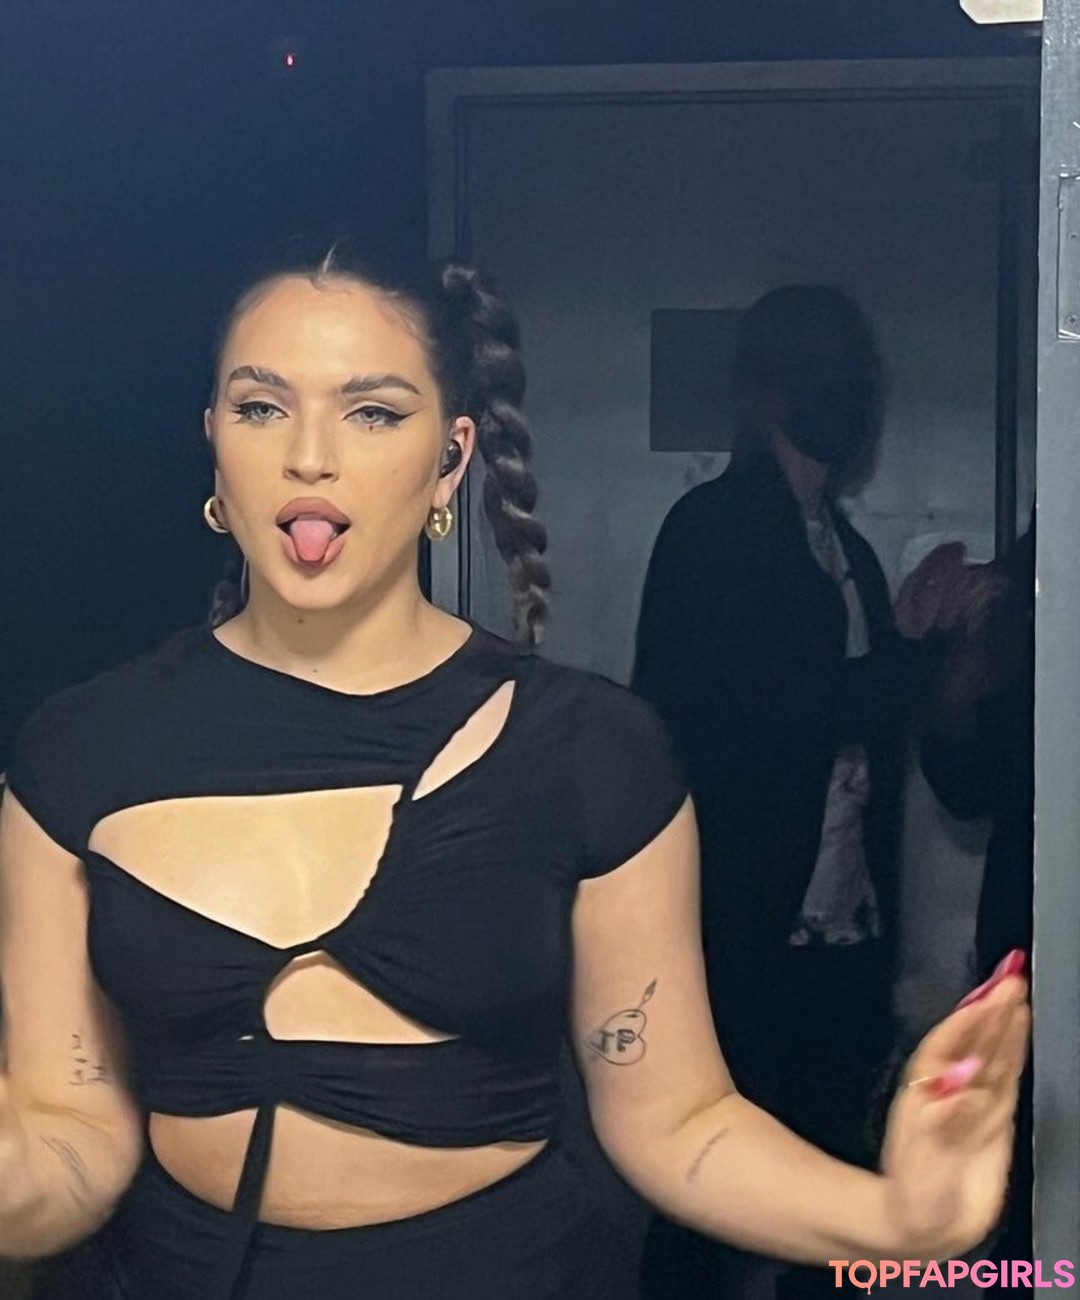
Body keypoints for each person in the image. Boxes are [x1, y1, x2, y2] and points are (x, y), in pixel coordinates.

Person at [0, 251, 1028, 1300]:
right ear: (215, 441)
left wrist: (900, 1216)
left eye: (371, 413)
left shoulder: (590, 751)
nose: (309, 457)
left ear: (450, 462)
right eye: (262, 408)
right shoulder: (81, 750)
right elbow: (68, 1141)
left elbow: (678, 1121)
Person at [631, 286, 992, 1300]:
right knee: (704, 1195)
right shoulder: (713, 530)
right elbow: (771, 708)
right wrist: (914, 650)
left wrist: (933, 645)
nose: (849, 394)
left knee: (834, 1201)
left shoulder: (847, 549)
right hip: (737, 928)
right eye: (822, 370)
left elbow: (866, 721)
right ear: (764, 391)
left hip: (840, 930)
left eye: (858, 374)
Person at [920, 523, 1035, 1285]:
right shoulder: (1034, 585)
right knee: (1027, 1147)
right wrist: (968, 662)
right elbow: (967, 777)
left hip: (1027, 917)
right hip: (1033, 917)